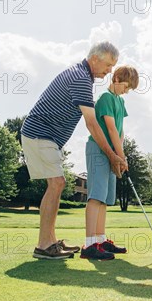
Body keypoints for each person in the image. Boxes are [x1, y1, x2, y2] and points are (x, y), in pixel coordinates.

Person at [21, 42, 127, 260]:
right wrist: (112, 155)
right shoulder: (80, 79)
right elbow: (92, 123)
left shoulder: (82, 76)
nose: (109, 71)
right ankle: (44, 245)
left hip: (47, 137)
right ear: (95, 59)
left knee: (57, 184)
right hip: (40, 133)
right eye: (108, 65)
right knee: (57, 183)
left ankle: (50, 242)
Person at [81, 65, 139, 261]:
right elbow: (111, 129)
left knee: (105, 198)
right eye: (126, 86)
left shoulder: (120, 102)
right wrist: (120, 157)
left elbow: (121, 132)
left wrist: (122, 156)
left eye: (129, 88)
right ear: (115, 79)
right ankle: (89, 244)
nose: (126, 91)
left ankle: (100, 239)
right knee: (96, 196)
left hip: (113, 152)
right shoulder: (105, 98)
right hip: (98, 150)